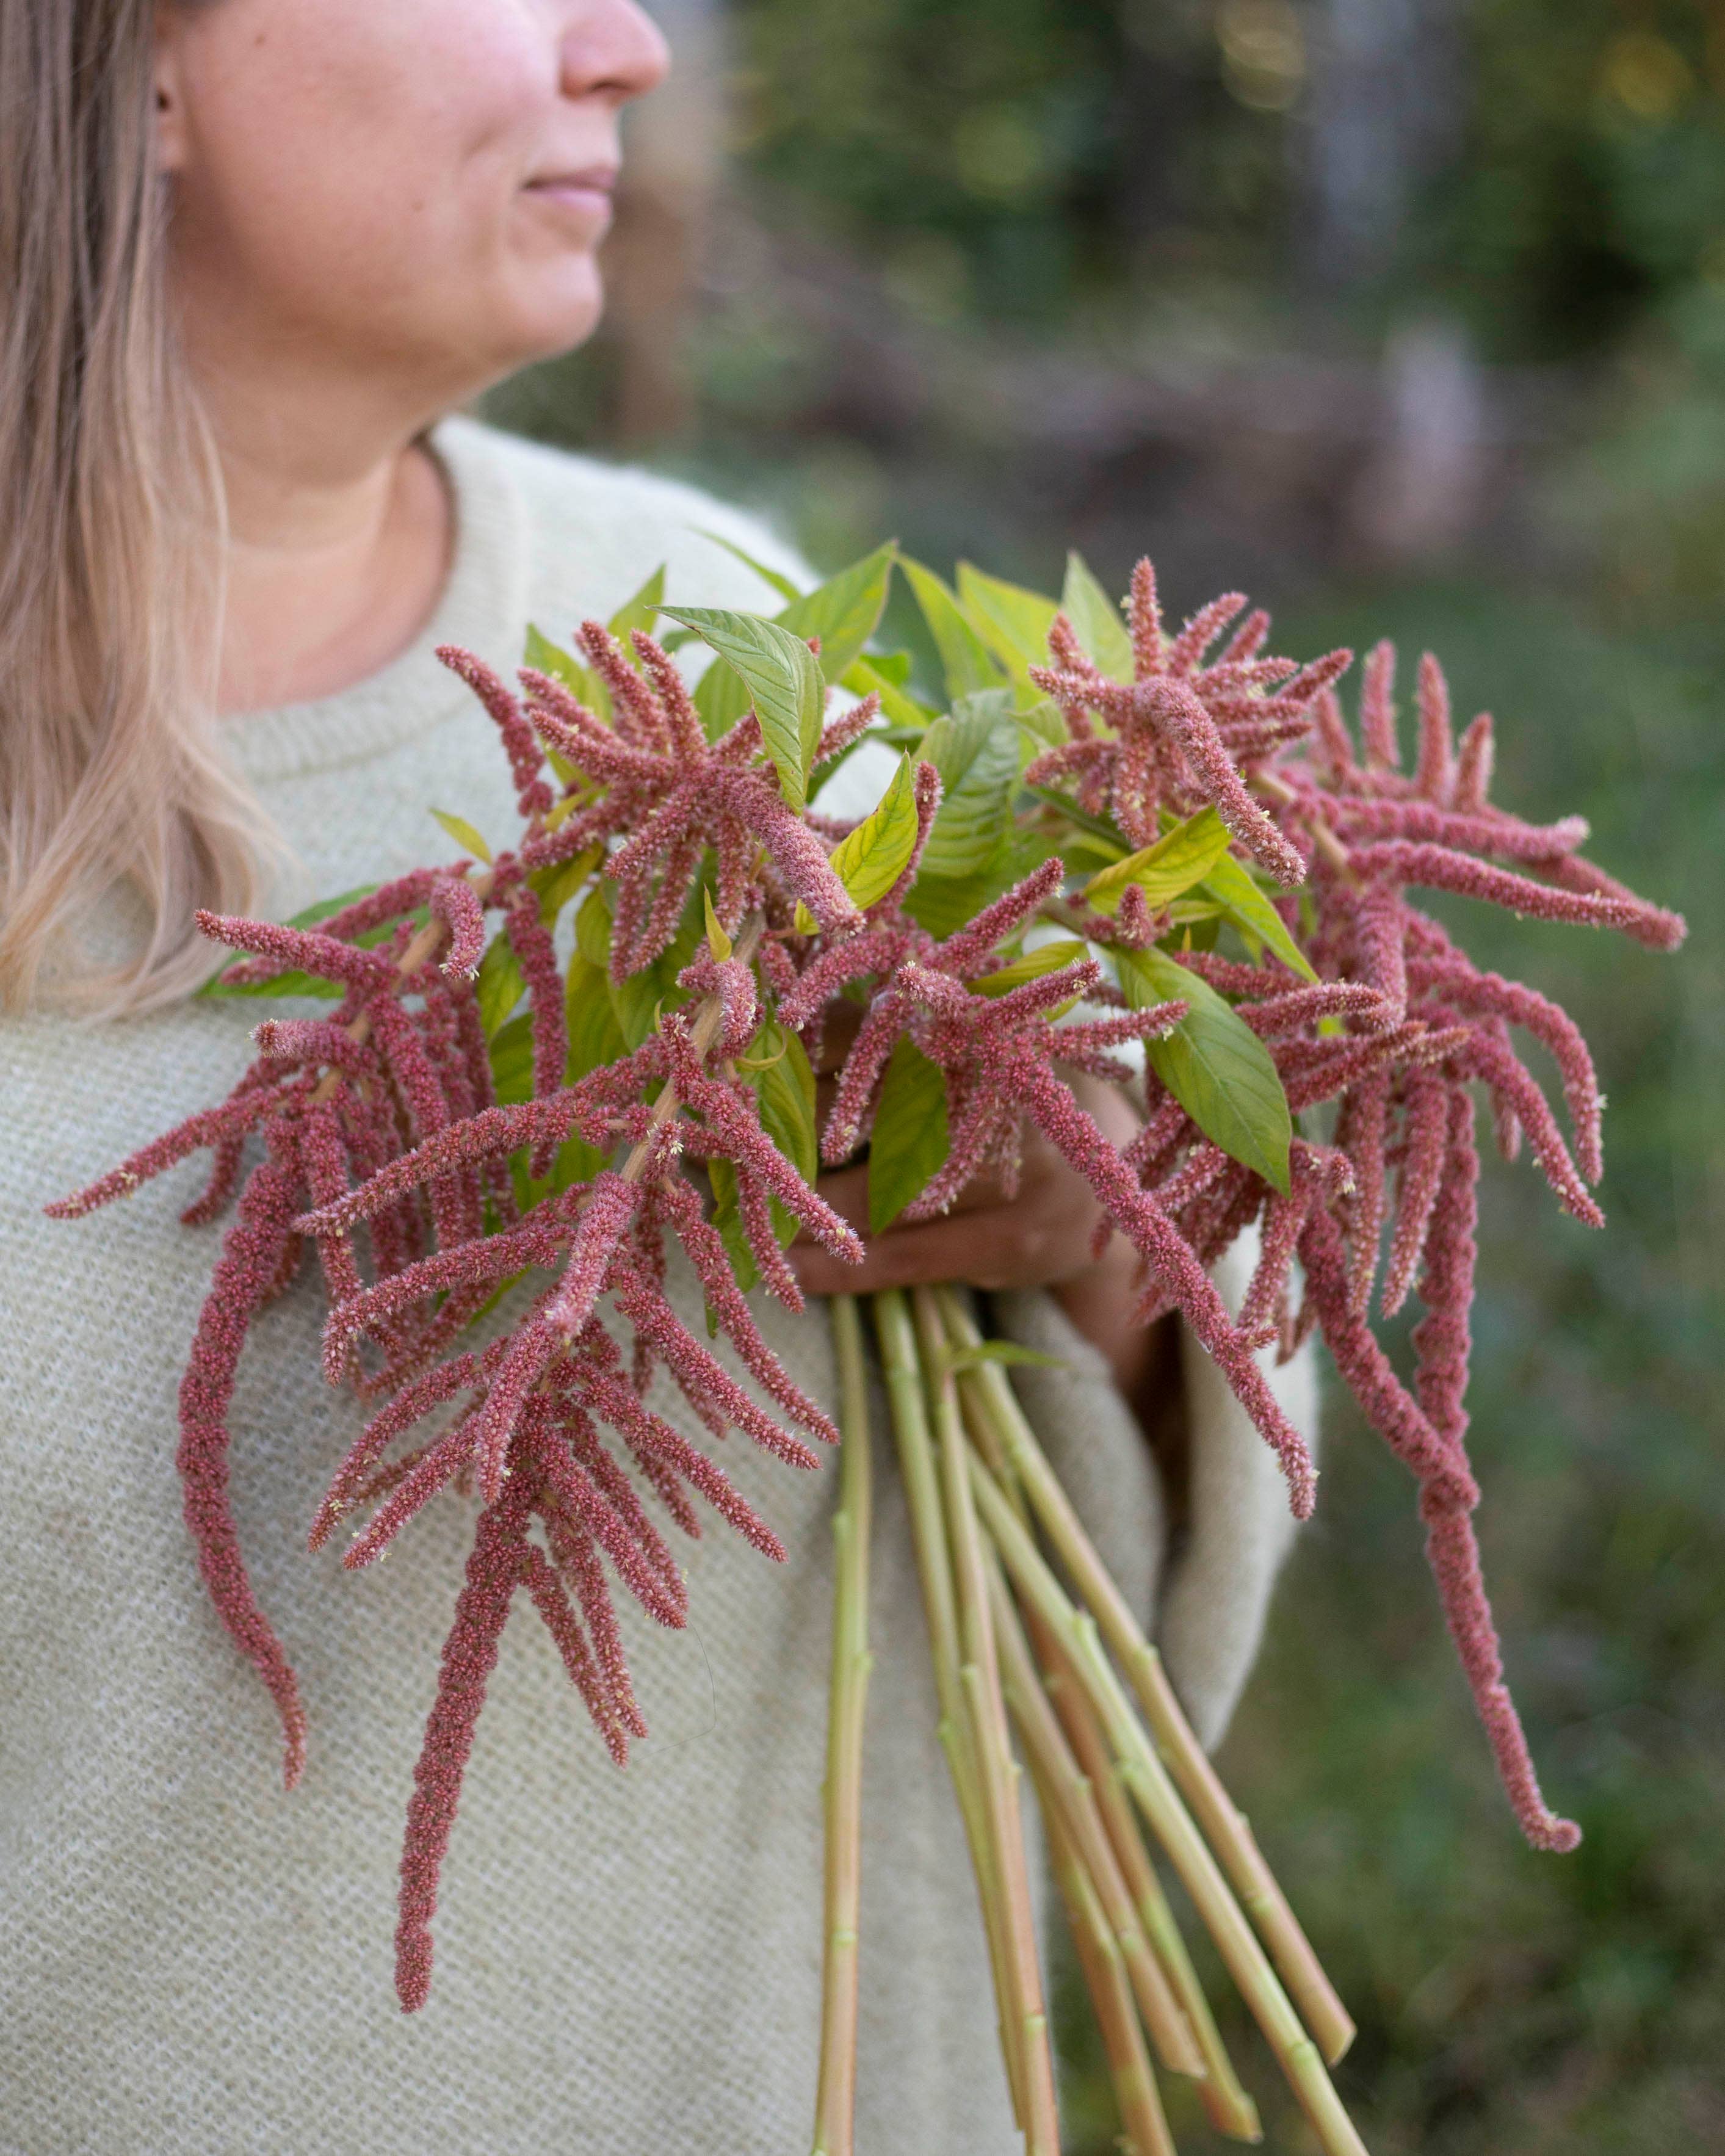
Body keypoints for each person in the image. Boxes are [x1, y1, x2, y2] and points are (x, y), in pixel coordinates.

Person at [0, 4, 1317, 2150]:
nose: (621, 46)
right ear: (121, 65)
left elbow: (1101, 1562)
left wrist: (1101, 1235)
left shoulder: (702, 631)